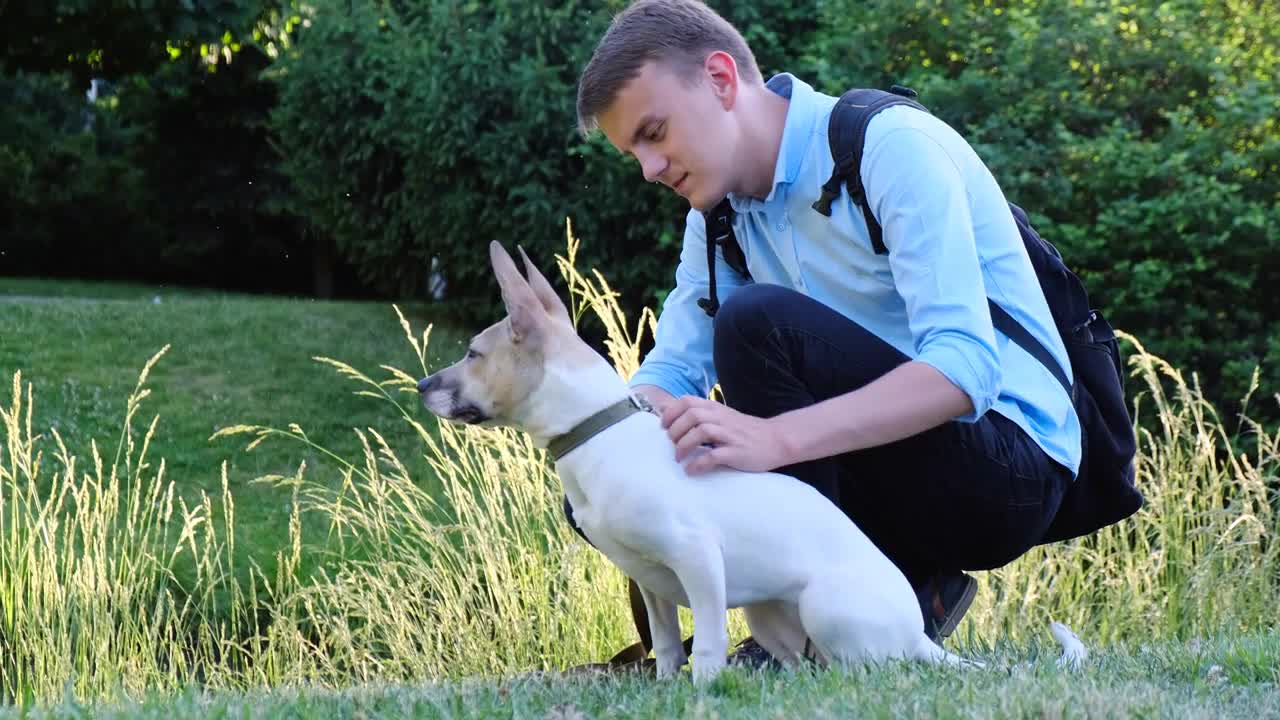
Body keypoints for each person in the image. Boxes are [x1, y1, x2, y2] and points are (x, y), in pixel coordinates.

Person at [569, 0, 1079, 659]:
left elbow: (965, 370)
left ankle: (810, 629)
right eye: (632, 151)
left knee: (757, 326)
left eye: (654, 132)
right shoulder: (718, 216)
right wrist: (608, 448)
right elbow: (672, 371)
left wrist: (774, 439)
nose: (649, 168)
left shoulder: (889, 147)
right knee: (609, 467)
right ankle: (887, 597)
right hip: (882, 468)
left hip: (1007, 470)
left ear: (722, 80)